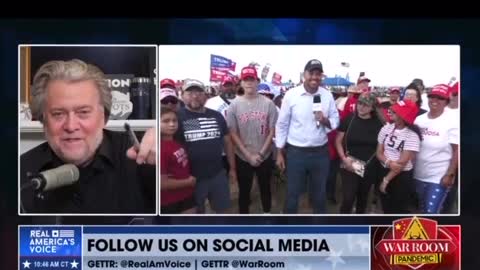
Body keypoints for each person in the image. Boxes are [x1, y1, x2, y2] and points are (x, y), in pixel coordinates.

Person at [20, 59, 156, 214]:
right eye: (58, 114)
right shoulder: (19, 173)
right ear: (43, 120)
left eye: (83, 112)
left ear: (104, 117)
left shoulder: (141, 159)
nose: (71, 126)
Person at [276, 59, 340, 214]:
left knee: (319, 194)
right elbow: (282, 124)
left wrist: (324, 120)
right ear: (304, 74)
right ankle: (288, 228)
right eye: (311, 73)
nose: (315, 77)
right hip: (296, 153)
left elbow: (335, 121)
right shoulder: (291, 95)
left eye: (318, 74)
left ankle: (319, 229)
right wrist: (279, 151)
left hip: (320, 153)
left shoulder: (327, 95)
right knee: (292, 193)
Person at [176, 79, 236, 214]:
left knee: (223, 211)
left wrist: (232, 169)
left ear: (205, 95)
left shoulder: (216, 115)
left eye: (198, 92)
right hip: (191, 178)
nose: (195, 96)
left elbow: (227, 142)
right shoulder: (176, 118)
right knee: (197, 216)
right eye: (190, 92)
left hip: (217, 174)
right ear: (182, 95)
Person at [226, 67, 278, 214]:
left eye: (252, 79)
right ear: (241, 82)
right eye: (245, 79)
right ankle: (244, 222)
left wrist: (261, 154)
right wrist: (248, 156)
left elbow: (272, 130)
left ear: (257, 81)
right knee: (244, 193)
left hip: (264, 155)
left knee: (265, 189)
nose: (249, 82)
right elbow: (233, 133)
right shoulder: (234, 105)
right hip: (243, 156)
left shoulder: (268, 104)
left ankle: (267, 216)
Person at [335, 92, 385, 214]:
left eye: (366, 105)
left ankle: (359, 226)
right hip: (349, 163)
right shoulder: (349, 119)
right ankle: (340, 225)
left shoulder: (379, 124)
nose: (361, 107)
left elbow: (381, 146)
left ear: (372, 108)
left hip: (369, 166)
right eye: (360, 103)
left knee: (363, 198)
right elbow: (338, 141)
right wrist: (344, 158)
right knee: (348, 198)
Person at [414, 84, 459, 214]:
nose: (434, 100)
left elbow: (457, 150)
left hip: (438, 176)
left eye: (440, 98)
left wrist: (450, 174)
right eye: (432, 97)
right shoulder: (419, 120)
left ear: (446, 101)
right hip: (418, 174)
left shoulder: (452, 121)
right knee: (420, 210)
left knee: (431, 212)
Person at [376, 100, 421, 214]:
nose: (390, 112)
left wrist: (386, 180)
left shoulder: (412, 135)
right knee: (386, 206)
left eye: (395, 111)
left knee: (398, 208)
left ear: (404, 116)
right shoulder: (386, 128)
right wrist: (390, 163)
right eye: (391, 109)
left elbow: (402, 163)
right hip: (384, 169)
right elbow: (379, 152)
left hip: (401, 176)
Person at [160, 106, 196, 214]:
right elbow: (161, 184)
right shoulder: (160, 149)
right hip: (170, 201)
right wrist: (188, 182)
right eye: (166, 121)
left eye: (174, 120)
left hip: (187, 196)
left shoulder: (176, 142)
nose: (172, 124)